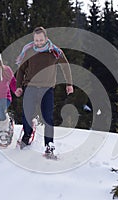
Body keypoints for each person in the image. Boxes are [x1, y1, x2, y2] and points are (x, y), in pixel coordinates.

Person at [15, 27, 73, 156]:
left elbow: (66, 67)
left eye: (41, 40)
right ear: (33, 39)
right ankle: (27, 135)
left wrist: (69, 84)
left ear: (46, 38)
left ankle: (49, 144)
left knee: (48, 117)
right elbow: (21, 70)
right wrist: (19, 86)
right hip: (30, 87)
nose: (39, 42)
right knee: (27, 114)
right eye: (36, 40)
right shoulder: (29, 51)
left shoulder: (55, 52)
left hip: (47, 88)